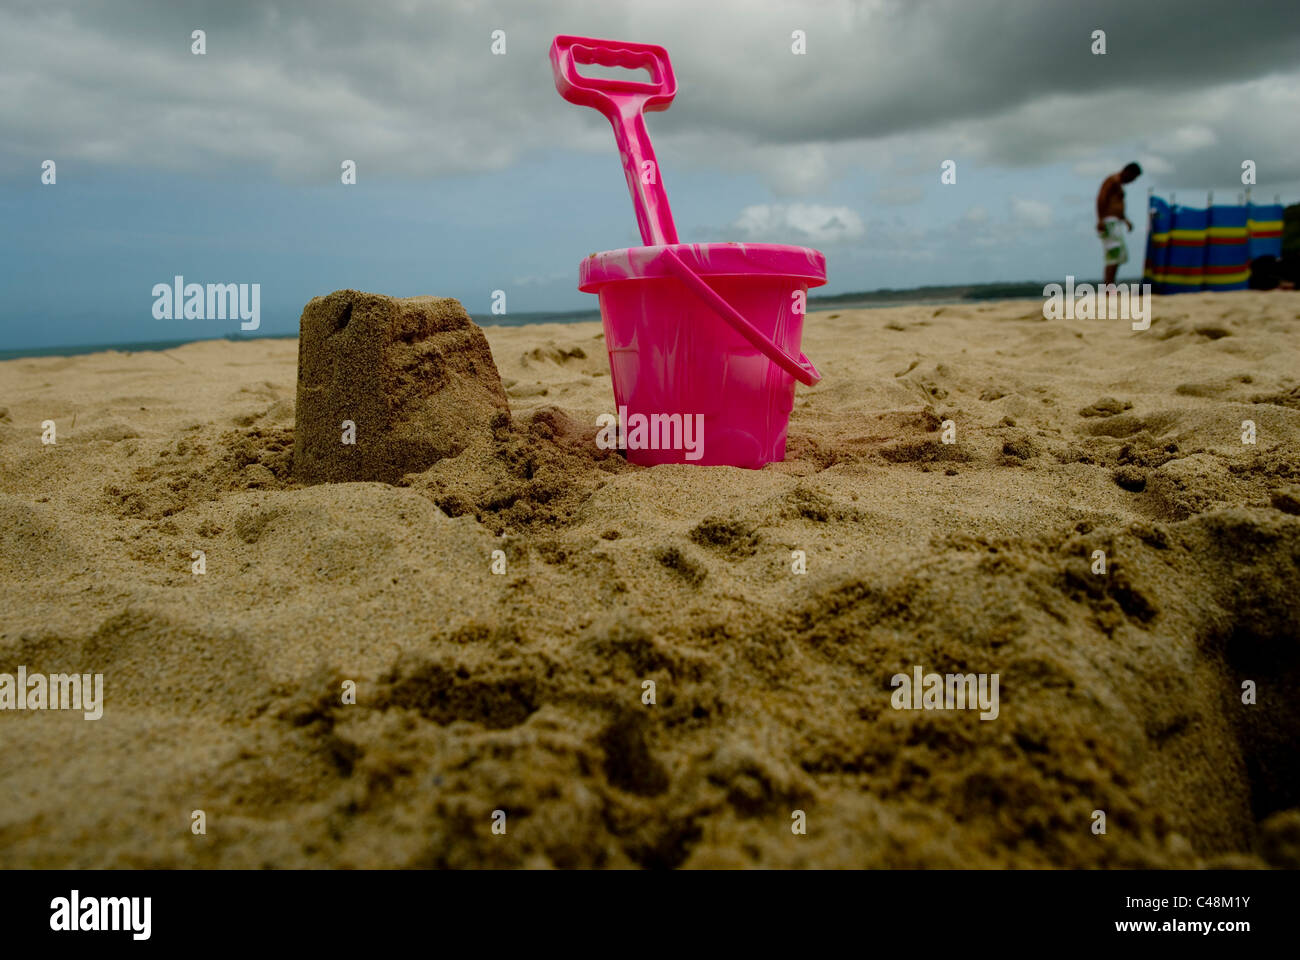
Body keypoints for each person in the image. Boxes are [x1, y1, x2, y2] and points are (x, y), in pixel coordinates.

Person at [1096, 162, 1141, 284]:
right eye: (1133, 178)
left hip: (1115, 222)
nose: (1132, 181)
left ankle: (1110, 286)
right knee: (1113, 255)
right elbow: (1101, 198)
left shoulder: (1119, 184)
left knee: (1118, 256)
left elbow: (1115, 204)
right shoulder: (1112, 180)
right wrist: (1100, 219)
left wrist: (1125, 220)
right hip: (1108, 222)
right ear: (1128, 172)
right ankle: (1108, 288)